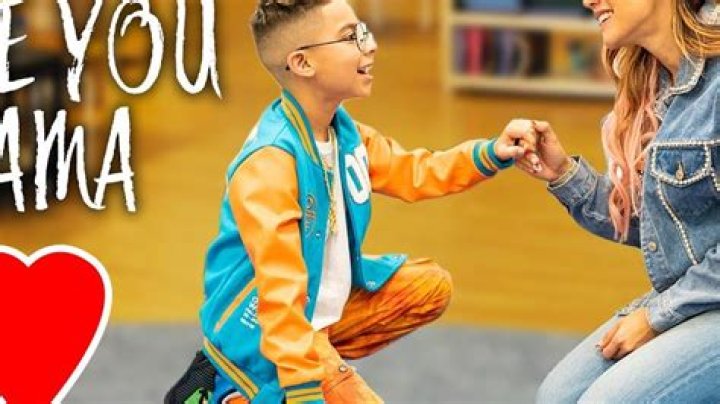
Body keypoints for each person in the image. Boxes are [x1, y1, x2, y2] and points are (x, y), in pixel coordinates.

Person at [166, 0, 540, 402]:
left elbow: (413, 171)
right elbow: (280, 293)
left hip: (316, 308)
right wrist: (305, 390)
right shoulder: (269, 164)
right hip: (262, 327)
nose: (370, 44)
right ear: (303, 63)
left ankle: (312, 361)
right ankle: (242, 382)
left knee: (430, 287)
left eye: (362, 31)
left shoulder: (343, 133)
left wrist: (491, 153)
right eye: (350, 37)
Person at [515, 0, 720, 402]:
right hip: (700, 295)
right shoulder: (658, 83)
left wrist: (656, 317)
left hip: (700, 296)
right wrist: (563, 175)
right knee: (556, 396)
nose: (588, 1)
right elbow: (664, 227)